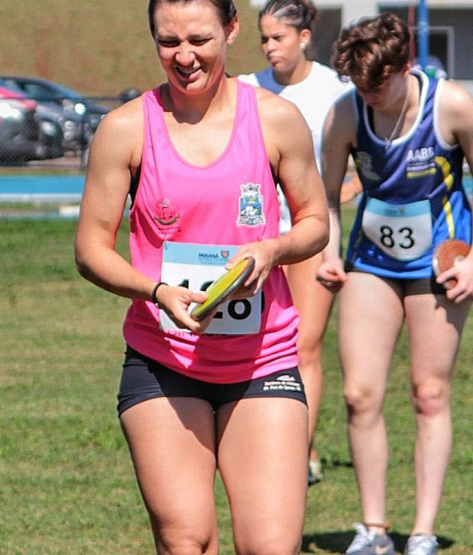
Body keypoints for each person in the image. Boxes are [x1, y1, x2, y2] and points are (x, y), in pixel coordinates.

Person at [74, 0, 329, 553]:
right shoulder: (124, 130)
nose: (184, 56)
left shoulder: (274, 118)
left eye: (199, 39)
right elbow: (91, 249)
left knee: (269, 547)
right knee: (186, 540)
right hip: (164, 362)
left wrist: (273, 248)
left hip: (262, 360)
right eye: (169, 42)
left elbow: (315, 223)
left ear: (232, 29)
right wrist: (156, 291)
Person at [315, 13, 473, 555]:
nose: (368, 97)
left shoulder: (453, 106)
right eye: (359, 88)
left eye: (377, 86)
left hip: (439, 264)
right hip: (372, 261)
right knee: (359, 394)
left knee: (429, 393)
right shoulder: (347, 112)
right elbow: (326, 195)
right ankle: (373, 530)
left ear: (403, 67)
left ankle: (421, 532)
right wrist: (328, 249)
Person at [238, 0, 354, 486]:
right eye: (263, 39)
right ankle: (253, 440)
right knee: (254, 347)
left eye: (277, 38)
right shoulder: (244, 90)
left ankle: (299, 453)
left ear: (304, 38)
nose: (268, 48)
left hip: (308, 239)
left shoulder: (334, 92)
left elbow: (360, 157)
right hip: (254, 239)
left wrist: (344, 191)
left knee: (304, 348)